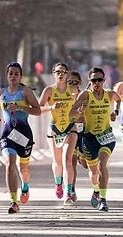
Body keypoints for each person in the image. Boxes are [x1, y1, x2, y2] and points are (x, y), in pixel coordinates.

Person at [68, 67, 122, 212]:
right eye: (93, 80)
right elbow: (71, 113)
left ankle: (103, 200)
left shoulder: (109, 94)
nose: (97, 82)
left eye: (100, 79)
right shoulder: (85, 95)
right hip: (89, 137)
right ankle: (96, 190)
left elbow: (118, 99)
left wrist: (115, 112)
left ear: (104, 80)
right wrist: (79, 110)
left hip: (106, 136)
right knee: (92, 172)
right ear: (89, 81)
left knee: (102, 164)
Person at [0, 62, 41, 214]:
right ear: (7, 75)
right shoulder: (1, 92)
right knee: (9, 164)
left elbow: (38, 110)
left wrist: (20, 107)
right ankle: (14, 202)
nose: (13, 76)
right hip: (7, 134)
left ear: (20, 76)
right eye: (11, 73)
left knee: (23, 168)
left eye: (16, 73)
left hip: (24, 134)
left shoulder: (25, 91)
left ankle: (25, 185)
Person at [38, 63, 78, 206]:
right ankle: (58, 183)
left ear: (67, 74)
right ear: (53, 74)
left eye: (63, 72)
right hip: (54, 129)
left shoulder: (72, 89)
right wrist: (51, 107)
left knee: (68, 159)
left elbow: (81, 105)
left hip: (70, 127)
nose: (60, 74)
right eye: (57, 72)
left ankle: (68, 192)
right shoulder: (49, 90)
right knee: (57, 161)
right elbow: (37, 108)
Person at [66, 71, 86, 203]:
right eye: (70, 82)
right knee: (71, 162)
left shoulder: (84, 95)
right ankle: (71, 190)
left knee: (85, 164)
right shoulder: (65, 96)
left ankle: (82, 157)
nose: (73, 84)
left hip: (84, 132)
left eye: (76, 82)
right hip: (70, 131)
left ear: (80, 83)